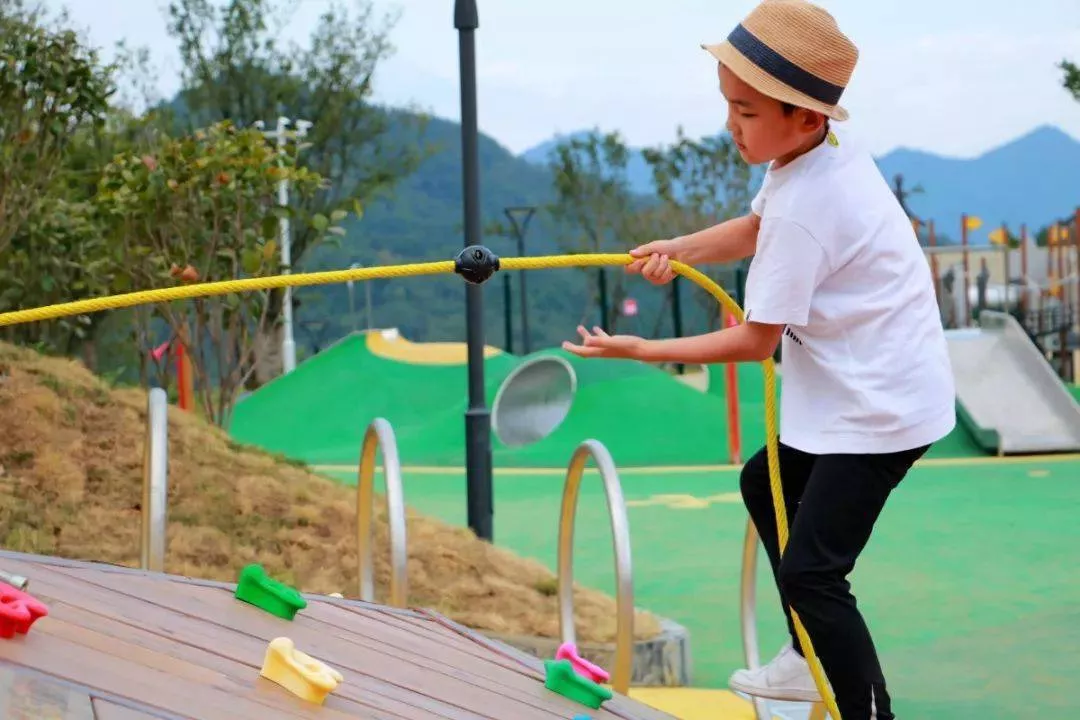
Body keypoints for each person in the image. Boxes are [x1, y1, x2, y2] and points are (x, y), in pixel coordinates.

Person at [561, 1, 956, 718]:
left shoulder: (809, 204)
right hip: (862, 386)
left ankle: (865, 707)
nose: (730, 125)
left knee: (814, 573)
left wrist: (643, 349)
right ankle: (807, 655)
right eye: (728, 105)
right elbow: (755, 224)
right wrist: (678, 249)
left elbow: (755, 341)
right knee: (761, 483)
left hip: (880, 408)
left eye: (745, 111)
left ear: (804, 117)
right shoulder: (816, 154)